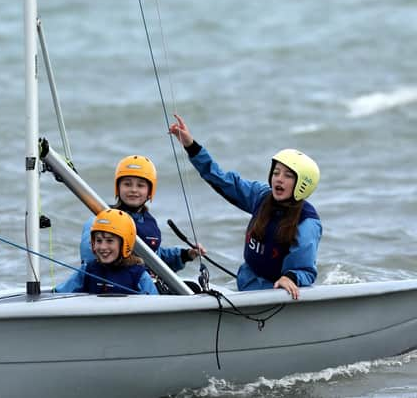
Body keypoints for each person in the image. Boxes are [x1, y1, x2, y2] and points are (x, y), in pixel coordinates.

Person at [168, 114, 321, 300]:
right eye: (276, 172)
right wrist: (191, 146)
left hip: (276, 294)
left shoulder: (306, 222)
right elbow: (221, 180)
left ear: (303, 184)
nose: (279, 178)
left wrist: (290, 277)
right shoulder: (261, 195)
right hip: (247, 284)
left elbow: (305, 270)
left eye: (288, 175)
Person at [79, 155, 205, 274]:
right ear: (118, 188)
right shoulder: (101, 220)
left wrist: (185, 255)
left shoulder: (148, 222)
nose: (133, 189)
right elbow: (90, 259)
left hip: (145, 286)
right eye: (127, 184)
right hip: (119, 285)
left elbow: (155, 257)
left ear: (150, 191)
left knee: (194, 288)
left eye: (140, 185)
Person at [55, 209, 158, 295]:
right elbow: (60, 293)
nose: (103, 247)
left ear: (125, 243)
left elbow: (156, 307)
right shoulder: (87, 270)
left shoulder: (139, 275)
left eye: (109, 241)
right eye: (98, 241)